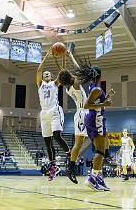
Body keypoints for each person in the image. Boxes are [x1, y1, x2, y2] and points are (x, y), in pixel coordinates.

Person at [73, 63, 115, 191]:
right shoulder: (96, 89)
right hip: (95, 119)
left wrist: (106, 97)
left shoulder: (94, 87)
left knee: (101, 150)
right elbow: (86, 105)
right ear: (99, 76)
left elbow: (95, 103)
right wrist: (105, 103)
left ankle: (98, 178)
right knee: (100, 151)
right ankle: (92, 178)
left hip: (95, 119)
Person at [36, 49, 71, 181]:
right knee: (47, 143)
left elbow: (63, 73)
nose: (45, 74)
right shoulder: (40, 84)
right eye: (45, 74)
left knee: (56, 135)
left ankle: (69, 154)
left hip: (55, 110)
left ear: (51, 77)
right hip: (44, 113)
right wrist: (46, 55)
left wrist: (63, 57)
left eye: (48, 74)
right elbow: (39, 70)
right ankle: (53, 167)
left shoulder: (55, 83)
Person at [57, 51, 90, 184]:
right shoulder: (76, 83)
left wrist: (64, 58)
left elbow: (64, 73)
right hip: (83, 114)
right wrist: (71, 56)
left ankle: (71, 167)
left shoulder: (68, 87)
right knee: (84, 142)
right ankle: (72, 168)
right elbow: (81, 71)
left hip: (81, 113)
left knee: (81, 142)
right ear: (70, 78)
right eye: (71, 75)